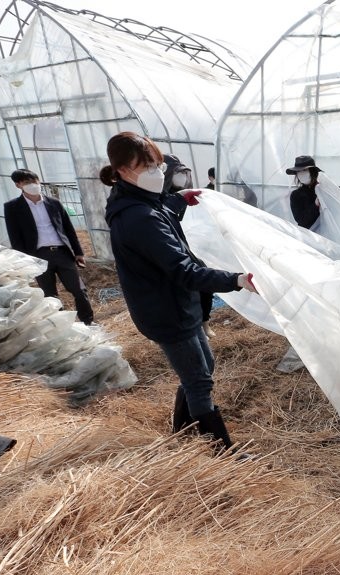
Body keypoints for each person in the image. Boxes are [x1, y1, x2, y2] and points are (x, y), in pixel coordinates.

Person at [100, 132, 259, 452]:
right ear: (121, 170)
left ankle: (182, 427)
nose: (156, 173)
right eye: (145, 166)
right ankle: (221, 450)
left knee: (204, 367)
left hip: (171, 304)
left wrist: (179, 199)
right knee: (199, 381)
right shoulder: (139, 218)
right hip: (166, 311)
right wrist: (237, 280)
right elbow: (183, 270)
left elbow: (157, 206)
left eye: (156, 165)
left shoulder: (133, 200)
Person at [4, 169, 95, 325]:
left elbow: (68, 229)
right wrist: (23, 260)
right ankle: (61, 325)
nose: (33, 185)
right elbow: (15, 237)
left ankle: (88, 321)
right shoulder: (12, 207)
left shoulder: (54, 203)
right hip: (38, 256)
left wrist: (78, 252)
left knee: (79, 290)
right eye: (27, 183)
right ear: (18, 185)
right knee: (50, 295)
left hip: (62, 253)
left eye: (35, 181)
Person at [162, 154, 217, 338]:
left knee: (205, 283)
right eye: (177, 173)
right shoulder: (159, 200)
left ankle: (204, 324)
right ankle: (193, 330)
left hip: (189, 247)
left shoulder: (183, 197)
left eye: (184, 173)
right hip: (172, 251)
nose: (183, 177)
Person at [286, 155, 323, 230]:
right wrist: (315, 205)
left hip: (329, 237)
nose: (301, 174)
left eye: (304, 170)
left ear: (313, 172)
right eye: (298, 171)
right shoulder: (296, 195)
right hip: (308, 237)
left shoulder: (323, 190)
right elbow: (302, 221)